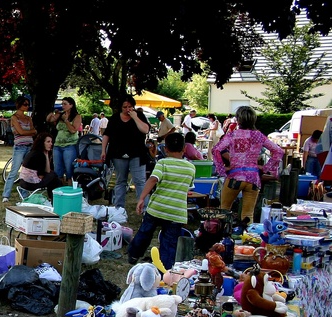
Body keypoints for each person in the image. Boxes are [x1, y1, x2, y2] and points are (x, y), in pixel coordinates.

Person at [128, 132, 196, 268]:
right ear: (184, 149)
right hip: (176, 212)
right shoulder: (191, 167)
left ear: (166, 149)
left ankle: (134, 254)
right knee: (169, 242)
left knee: (144, 233)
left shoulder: (162, 163)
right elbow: (189, 187)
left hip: (157, 208)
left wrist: (142, 198)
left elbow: (153, 179)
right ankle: (165, 268)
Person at [212, 106, 284, 224]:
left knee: (224, 211)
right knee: (248, 214)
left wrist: (222, 169)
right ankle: (248, 239)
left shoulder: (233, 135)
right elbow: (279, 151)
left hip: (234, 177)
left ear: (238, 120)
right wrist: (266, 168)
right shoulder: (258, 135)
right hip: (253, 178)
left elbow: (216, 150)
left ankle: (222, 237)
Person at [101, 95, 151, 209]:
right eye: (125, 107)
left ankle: (144, 208)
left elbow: (145, 129)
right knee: (120, 181)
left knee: (140, 181)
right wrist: (103, 150)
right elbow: (106, 135)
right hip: (118, 153)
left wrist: (135, 117)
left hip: (137, 153)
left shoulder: (140, 116)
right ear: (120, 108)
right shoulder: (114, 118)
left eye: (130, 107)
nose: (127, 109)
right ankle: (119, 207)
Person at [2, 96, 36, 203]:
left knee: (27, 171)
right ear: (19, 105)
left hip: (29, 146)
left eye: (28, 104)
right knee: (14, 171)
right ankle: (6, 195)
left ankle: (24, 194)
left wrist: (27, 132)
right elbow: (23, 132)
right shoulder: (14, 118)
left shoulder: (28, 118)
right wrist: (29, 132)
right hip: (19, 147)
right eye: (25, 104)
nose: (27, 106)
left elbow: (33, 131)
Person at [46, 96, 83, 182]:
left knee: (69, 169)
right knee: (58, 170)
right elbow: (49, 120)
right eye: (62, 104)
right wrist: (52, 114)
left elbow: (73, 130)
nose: (63, 106)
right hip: (57, 145)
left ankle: (70, 190)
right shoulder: (61, 114)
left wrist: (66, 121)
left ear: (71, 105)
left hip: (70, 145)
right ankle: (60, 188)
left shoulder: (77, 116)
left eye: (65, 104)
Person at [16, 132, 62, 199]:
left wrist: (46, 154)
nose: (51, 144)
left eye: (51, 142)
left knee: (53, 177)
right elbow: (42, 175)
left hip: (23, 182)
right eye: (48, 142)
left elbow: (46, 171)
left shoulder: (33, 152)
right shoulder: (39, 155)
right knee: (54, 176)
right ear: (42, 143)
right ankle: (55, 198)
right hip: (30, 184)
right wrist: (46, 155)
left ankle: (53, 198)